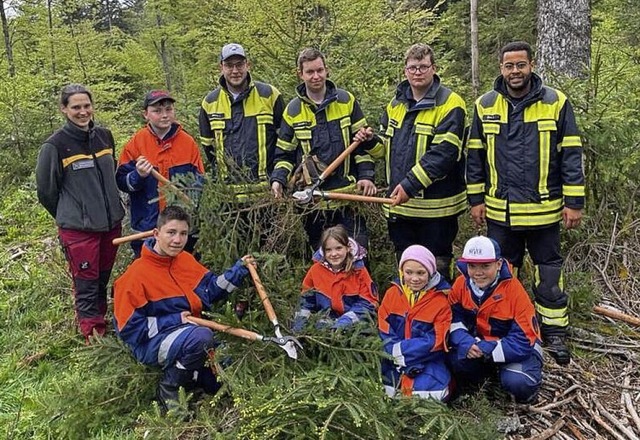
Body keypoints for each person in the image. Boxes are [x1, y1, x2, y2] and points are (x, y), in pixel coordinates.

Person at [466, 41, 585, 365]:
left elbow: (571, 154)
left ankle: (555, 332)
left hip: (545, 211)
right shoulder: (485, 105)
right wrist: (475, 199)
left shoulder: (556, 103)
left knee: (549, 274)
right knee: (504, 275)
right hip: (500, 213)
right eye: (509, 66)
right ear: (500, 67)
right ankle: (507, 329)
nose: (515, 71)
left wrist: (574, 201)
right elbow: (474, 156)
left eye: (521, 65)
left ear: (531, 65)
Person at [113, 206, 255, 413]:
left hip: (188, 333)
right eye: (171, 233)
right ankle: (170, 389)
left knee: (219, 376)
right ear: (156, 234)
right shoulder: (134, 277)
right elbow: (129, 330)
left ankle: (194, 377)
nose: (177, 240)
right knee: (201, 337)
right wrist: (175, 320)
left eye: (183, 234)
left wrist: (238, 270)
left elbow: (211, 290)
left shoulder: (185, 260)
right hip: (150, 343)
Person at [36, 83, 125, 342]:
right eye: (76, 107)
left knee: (102, 278)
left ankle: (101, 319)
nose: (82, 112)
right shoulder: (55, 146)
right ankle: (92, 334)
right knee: (85, 283)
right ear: (64, 109)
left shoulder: (104, 137)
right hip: (78, 230)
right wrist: (71, 215)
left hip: (111, 224)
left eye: (86, 106)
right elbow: (46, 192)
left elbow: (112, 174)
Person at [270, 47, 380, 250]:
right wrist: (278, 180)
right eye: (310, 72)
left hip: (349, 200)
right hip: (314, 204)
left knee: (357, 254)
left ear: (326, 70)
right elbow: (284, 155)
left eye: (319, 70)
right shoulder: (293, 111)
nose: (316, 76)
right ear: (300, 74)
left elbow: (361, 146)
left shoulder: (346, 101)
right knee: (323, 260)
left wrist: (366, 176)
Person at [376, 43, 467, 282]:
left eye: (423, 67)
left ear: (434, 69)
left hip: (437, 208)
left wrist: (410, 184)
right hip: (400, 206)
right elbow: (384, 148)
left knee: (436, 264)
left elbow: (445, 153)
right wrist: (367, 142)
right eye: (413, 67)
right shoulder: (395, 105)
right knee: (406, 263)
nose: (418, 72)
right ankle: (407, 312)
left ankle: (439, 312)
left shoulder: (450, 103)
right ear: (405, 70)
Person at [448, 236, 543, 403]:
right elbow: (452, 320)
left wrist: (485, 348)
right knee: (454, 361)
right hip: (478, 347)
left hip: (517, 350)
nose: (478, 273)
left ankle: (524, 390)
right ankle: (487, 382)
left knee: (518, 382)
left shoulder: (514, 291)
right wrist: (465, 343)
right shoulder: (460, 285)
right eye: (472, 266)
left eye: (485, 266)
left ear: (498, 264)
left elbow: (523, 341)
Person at [116, 90, 205, 258]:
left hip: (180, 228)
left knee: (184, 274)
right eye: (157, 111)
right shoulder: (136, 143)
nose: (164, 115)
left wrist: (189, 208)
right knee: (148, 277)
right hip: (146, 228)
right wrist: (138, 175)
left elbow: (199, 180)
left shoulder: (188, 143)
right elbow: (122, 182)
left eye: (169, 109)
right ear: (146, 114)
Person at [199, 43, 284, 200]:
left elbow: (284, 145)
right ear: (221, 67)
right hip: (228, 197)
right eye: (229, 65)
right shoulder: (209, 103)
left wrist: (278, 177)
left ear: (248, 65)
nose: (235, 71)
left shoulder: (269, 95)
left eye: (239, 65)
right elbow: (209, 149)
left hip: (267, 193)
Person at [378, 245, 452, 401]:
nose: (414, 278)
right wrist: (394, 354)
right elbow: (384, 328)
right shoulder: (392, 294)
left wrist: (404, 353)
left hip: (427, 359)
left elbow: (437, 339)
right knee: (387, 393)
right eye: (409, 272)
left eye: (421, 273)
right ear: (402, 272)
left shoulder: (440, 299)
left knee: (433, 393)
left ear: (430, 272)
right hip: (392, 359)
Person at [291, 225, 377, 332]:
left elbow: (368, 303)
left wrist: (343, 323)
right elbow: (306, 301)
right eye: (328, 250)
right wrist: (299, 328)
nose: (334, 254)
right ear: (323, 251)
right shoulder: (315, 270)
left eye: (338, 248)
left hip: (355, 324)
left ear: (347, 247)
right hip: (324, 322)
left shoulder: (359, 270)